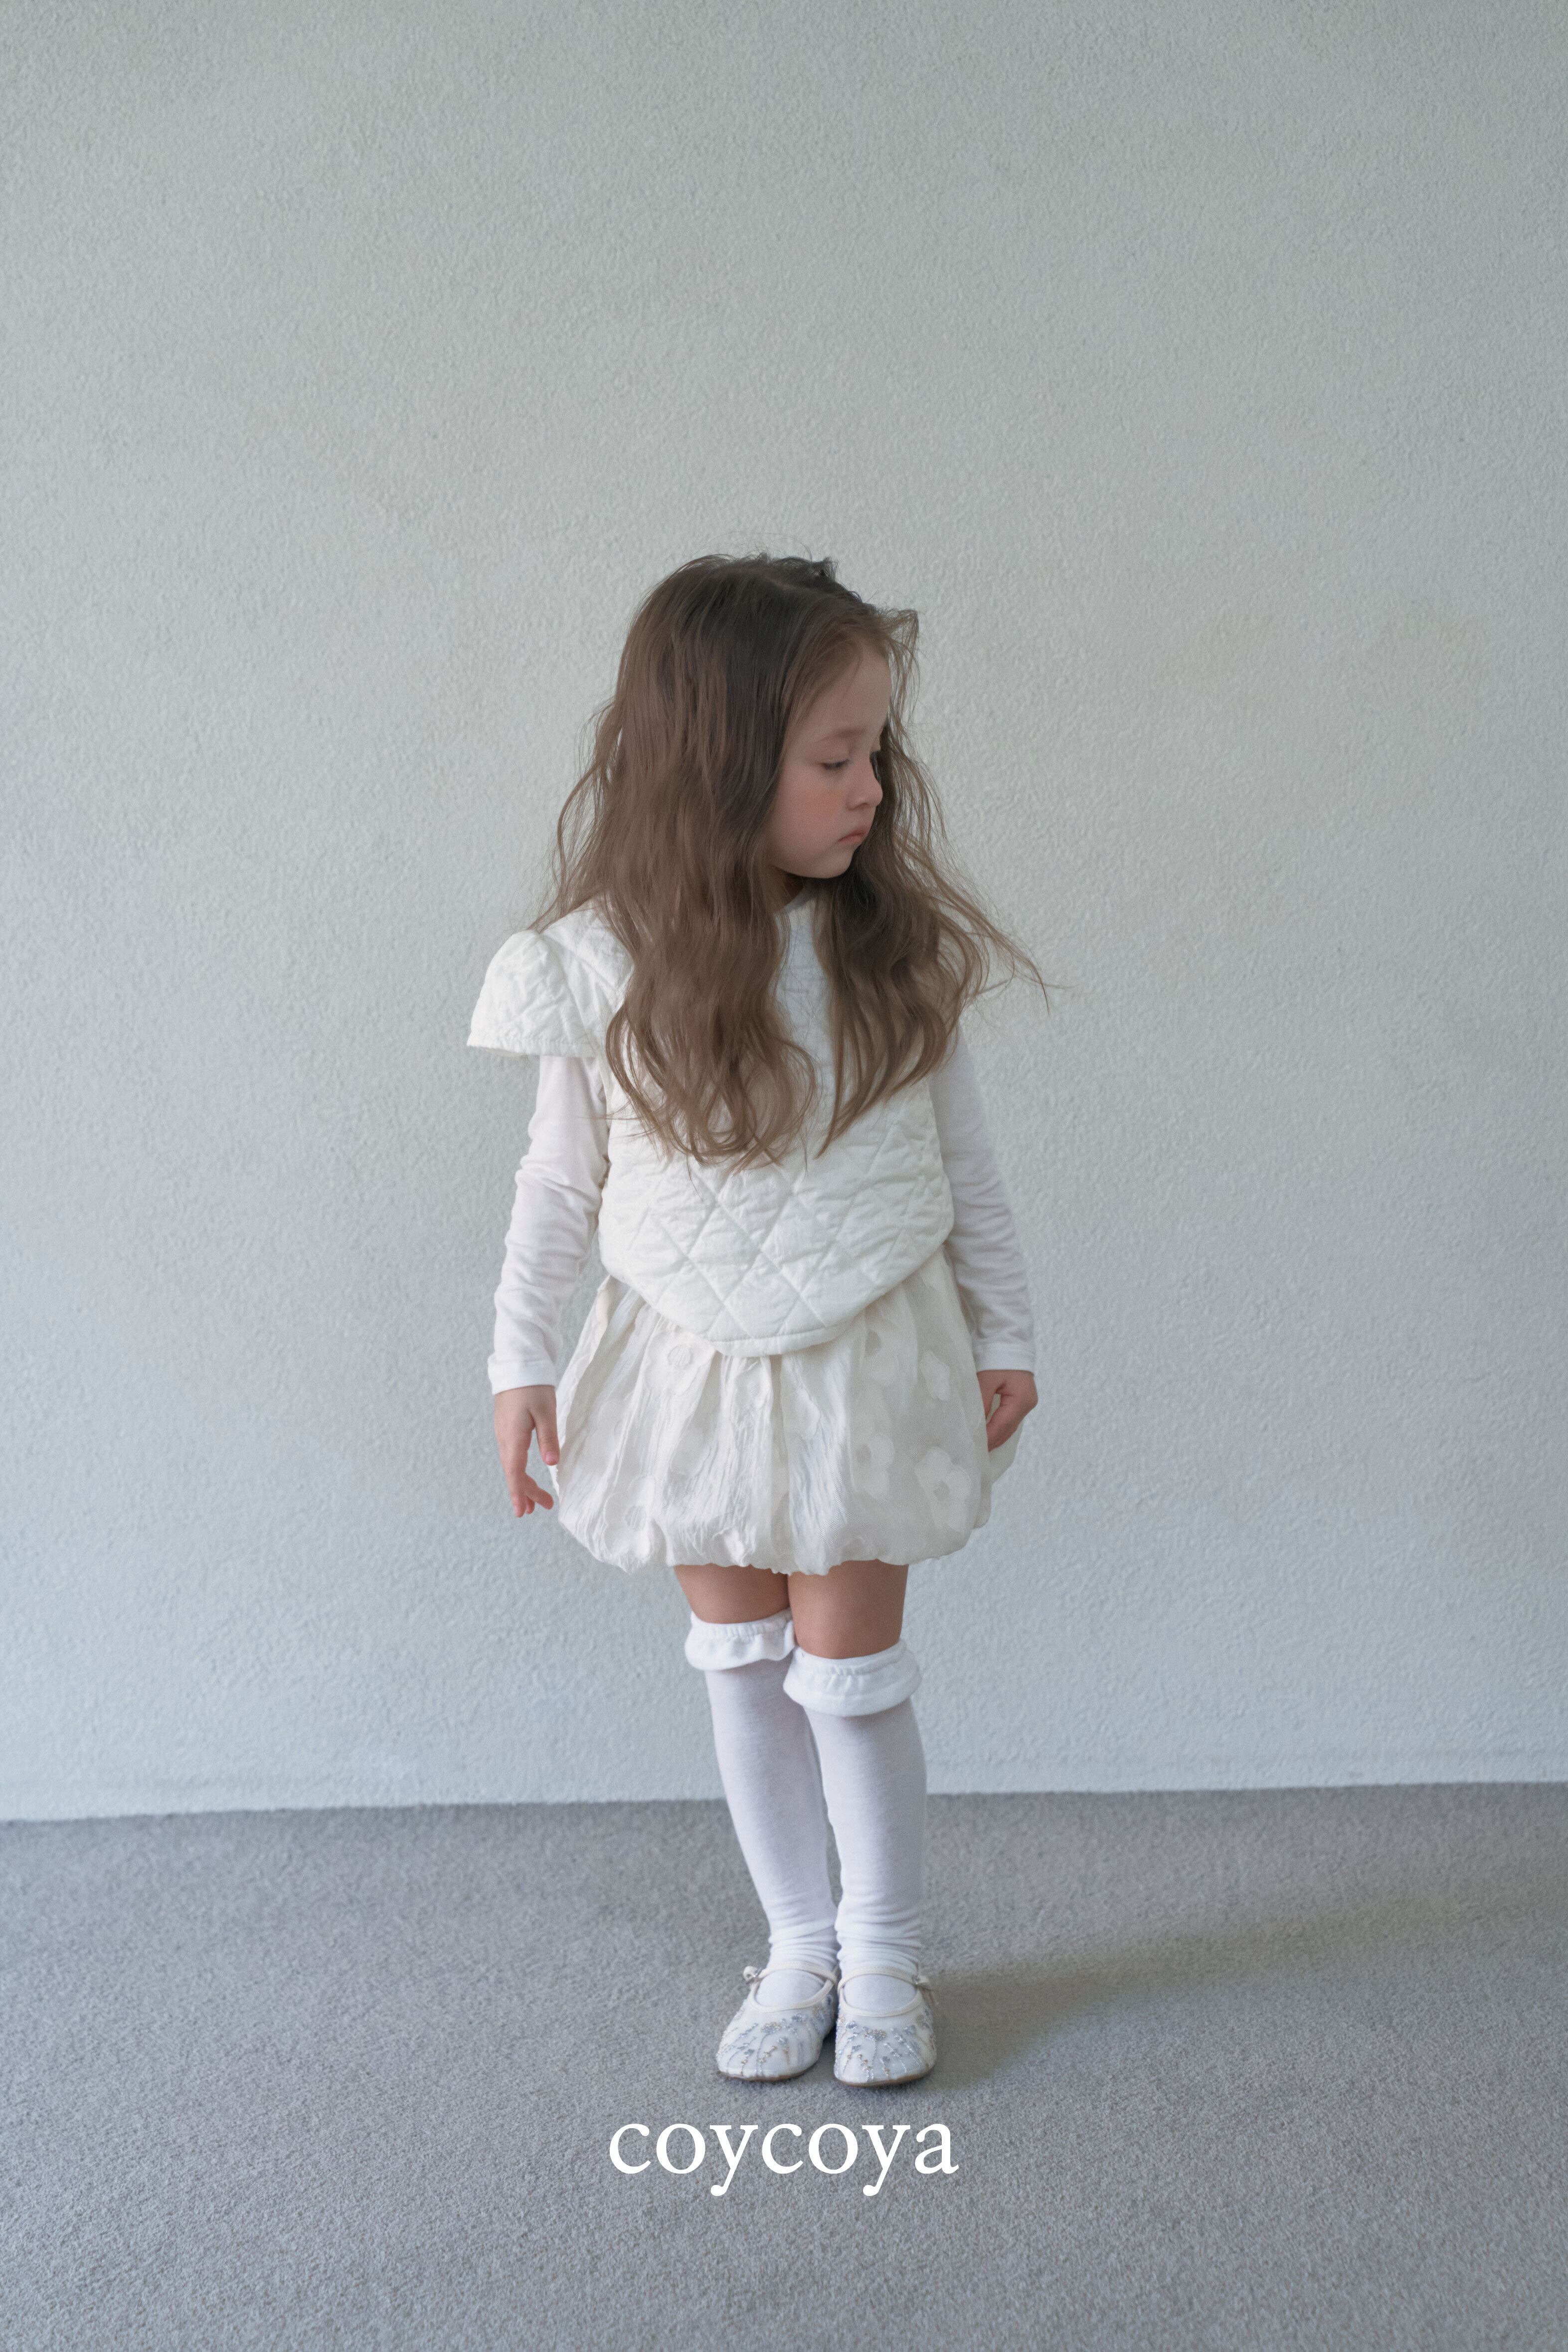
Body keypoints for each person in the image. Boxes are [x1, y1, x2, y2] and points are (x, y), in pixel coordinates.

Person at [467, 552, 1048, 2088]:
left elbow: (965, 1167)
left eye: (876, 754)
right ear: (719, 767)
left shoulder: (884, 952)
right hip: (684, 1358)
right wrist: (520, 1359)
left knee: (849, 1677)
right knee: (737, 1665)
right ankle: (798, 1945)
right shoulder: (598, 964)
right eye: (833, 759)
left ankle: (884, 1955)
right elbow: (557, 1184)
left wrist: (1004, 1331)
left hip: (866, 1355)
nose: (872, 790)